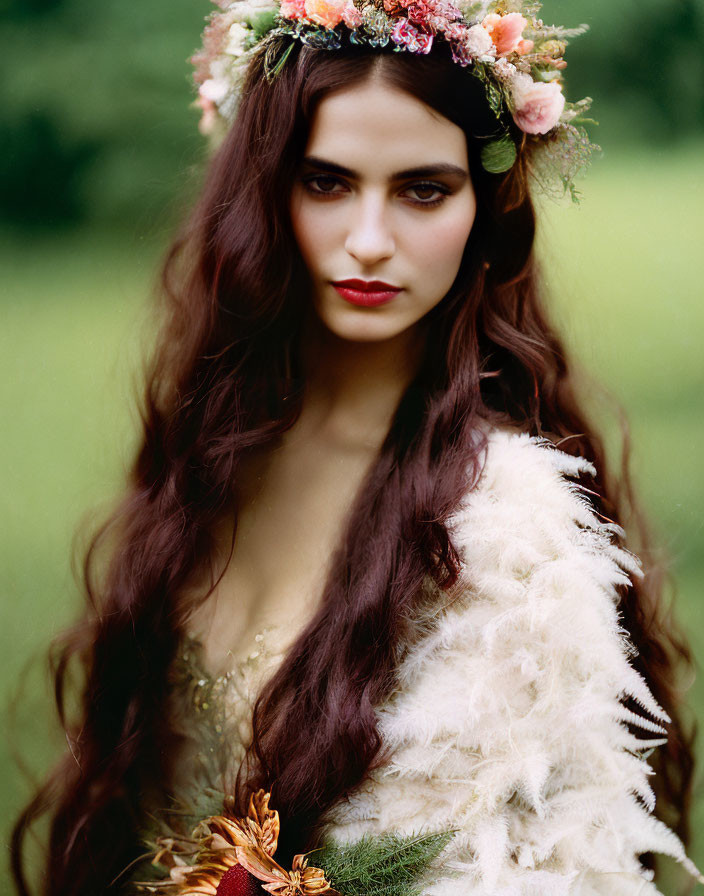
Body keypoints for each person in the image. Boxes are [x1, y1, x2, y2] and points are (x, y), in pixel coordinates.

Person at [10, 1, 703, 894]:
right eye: (327, 182)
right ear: (263, 193)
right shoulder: (218, 459)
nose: (369, 243)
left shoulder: (509, 539)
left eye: (423, 190)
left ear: (483, 211)